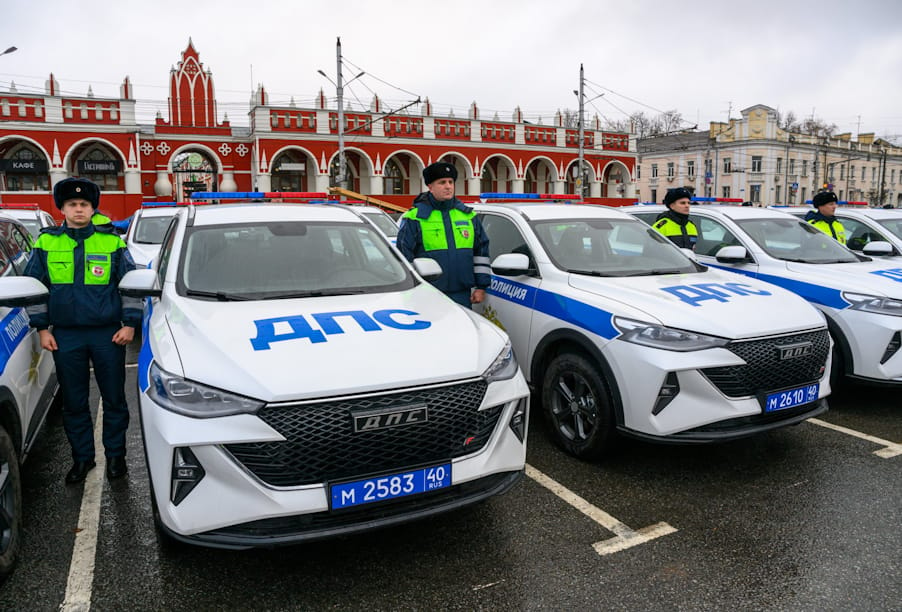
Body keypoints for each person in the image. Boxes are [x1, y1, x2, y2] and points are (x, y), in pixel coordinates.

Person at [25, 177, 141, 483]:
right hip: (65, 335)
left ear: (92, 208)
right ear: (62, 208)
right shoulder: (46, 242)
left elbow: (130, 285)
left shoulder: (112, 241)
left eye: (84, 204)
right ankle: (82, 459)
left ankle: (116, 457)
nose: (79, 209)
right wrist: (41, 330)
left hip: (107, 334)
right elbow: (34, 289)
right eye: (72, 204)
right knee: (75, 403)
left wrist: (130, 325)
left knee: (114, 399)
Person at [397, 162, 491, 308]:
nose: (448, 186)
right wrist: (410, 291)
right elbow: (404, 257)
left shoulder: (468, 216)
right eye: (442, 182)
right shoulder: (415, 217)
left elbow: (481, 253)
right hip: (427, 294)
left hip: (461, 294)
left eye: (450, 182)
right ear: (430, 186)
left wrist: (481, 287)